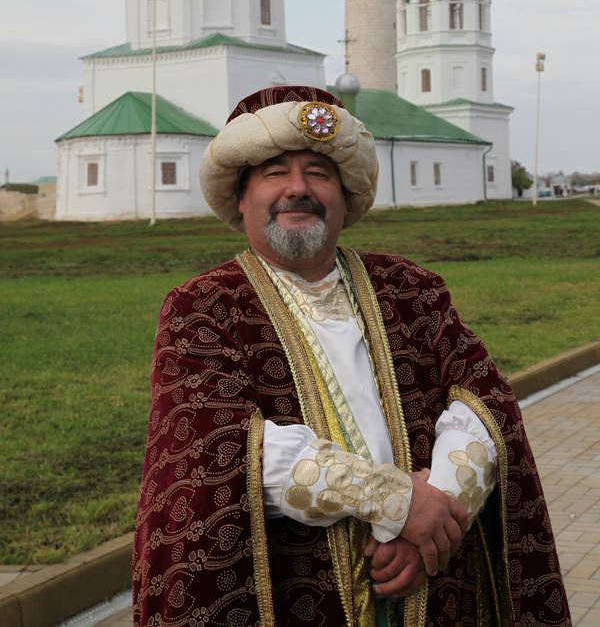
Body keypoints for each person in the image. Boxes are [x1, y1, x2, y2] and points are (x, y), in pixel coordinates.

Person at [132, 85, 571, 627]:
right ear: (240, 196)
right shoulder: (203, 308)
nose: (298, 188)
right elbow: (218, 448)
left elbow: (484, 400)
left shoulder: (410, 288)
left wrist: (435, 514)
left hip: (437, 590)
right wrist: (395, 502)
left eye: (318, 172)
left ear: (346, 194)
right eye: (274, 172)